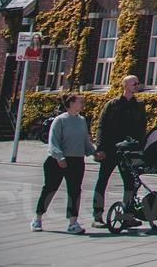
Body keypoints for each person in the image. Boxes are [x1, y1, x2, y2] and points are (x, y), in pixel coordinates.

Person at [32, 92, 96, 234]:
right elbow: (53, 142)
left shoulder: (82, 121)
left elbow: (85, 141)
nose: (83, 104)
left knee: (75, 191)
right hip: (57, 161)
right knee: (50, 188)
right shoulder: (60, 120)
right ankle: (38, 218)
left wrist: (94, 152)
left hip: (77, 160)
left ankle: (73, 223)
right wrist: (60, 157)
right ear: (71, 104)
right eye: (80, 102)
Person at [93, 74, 147, 224]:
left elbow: (142, 128)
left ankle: (127, 215)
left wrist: (140, 147)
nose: (137, 85)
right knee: (102, 181)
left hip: (129, 151)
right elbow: (102, 127)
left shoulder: (139, 106)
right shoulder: (113, 104)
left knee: (130, 183)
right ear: (125, 85)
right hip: (111, 148)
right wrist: (100, 148)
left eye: (137, 83)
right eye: (134, 83)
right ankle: (97, 215)